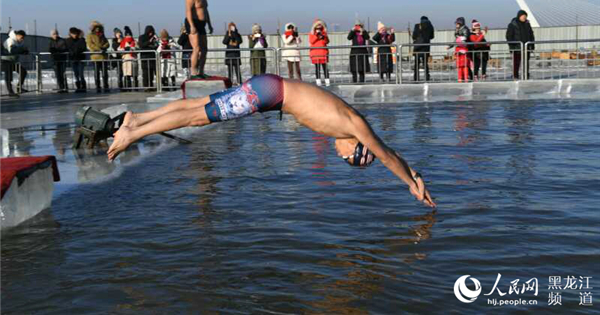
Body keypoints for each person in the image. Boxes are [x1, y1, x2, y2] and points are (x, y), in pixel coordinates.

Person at [107, 74, 435, 208]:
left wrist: (416, 176)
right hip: (269, 94)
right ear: (357, 149)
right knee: (196, 117)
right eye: (346, 159)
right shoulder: (356, 128)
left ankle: (137, 119)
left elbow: (392, 152)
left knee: (196, 105)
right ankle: (133, 132)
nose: (339, 155)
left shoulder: (352, 128)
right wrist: (409, 182)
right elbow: (388, 157)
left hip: (270, 89)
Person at [185, 0, 214, 78]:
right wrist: (192, 25)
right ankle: (193, 72)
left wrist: (209, 24)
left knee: (205, 49)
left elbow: (205, 11)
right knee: (196, 48)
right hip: (193, 22)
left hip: (202, 24)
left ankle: (201, 71)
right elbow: (188, 11)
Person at [506, 9, 535, 80]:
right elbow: (509, 36)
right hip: (517, 47)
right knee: (516, 63)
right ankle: (515, 76)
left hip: (526, 47)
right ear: (519, 16)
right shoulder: (512, 24)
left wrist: (532, 45)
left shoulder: (527, 24)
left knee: (526, 63)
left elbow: (531, 34)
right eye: (523, 16)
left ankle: (526, 75)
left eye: (525, 16)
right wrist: (512, 46)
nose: (524, 17)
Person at [1, 30, 29, 96]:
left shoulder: (16, 41)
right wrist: (22, 50)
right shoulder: (10, 40)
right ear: (17, 35)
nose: (22, 40)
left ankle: (19, 87)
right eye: (21, 38)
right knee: (8, 77)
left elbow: (17, 50)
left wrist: (23, 51)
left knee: (23, 71)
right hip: (6, 61)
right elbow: (12, 50)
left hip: (12, 61)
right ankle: (10, 92)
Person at [86, 20, 110, 92]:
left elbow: (107, 43)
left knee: (105, 73)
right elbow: (90, 45)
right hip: (95, 57)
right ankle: (98, 87)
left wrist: (104, 47)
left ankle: (106, 86)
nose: (97, 29)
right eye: (96, 27)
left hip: (103, 57)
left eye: (98, 27)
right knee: (97, 73)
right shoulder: (89, 35)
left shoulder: (102, 34)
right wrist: (99, 48)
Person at [411, 16, 435, 82]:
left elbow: (414, 36)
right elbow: (432, 36)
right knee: (425, 63)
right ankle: (427, 76)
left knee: (416, 63)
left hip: (418, 47)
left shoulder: (417, 26)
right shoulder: (430, 26)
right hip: (426, 47)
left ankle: (416, 77)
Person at [308, 19, 330, 86]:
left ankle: (327, 81)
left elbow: (327, 42)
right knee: (317, 68)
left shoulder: (324, 33)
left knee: (325, 68)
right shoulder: (312, 34)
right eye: (317, 27)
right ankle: (318, 82)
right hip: (315, 54)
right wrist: (316, 35)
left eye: (320, 27)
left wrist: (323, 37)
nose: (318, 29)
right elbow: (311, 41)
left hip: (323, 53)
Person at [65, 27, 87, 92]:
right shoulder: (68, 40)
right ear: (70, 34)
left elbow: (83, 48)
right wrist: (71, 52)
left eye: (75, 33)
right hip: (73, 59)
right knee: (76, 74)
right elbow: (67, 48)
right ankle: (78, 87)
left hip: (80, 59)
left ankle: (83, 87)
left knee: (81, 73)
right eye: (73, 34)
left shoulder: (81, 40)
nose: (74, 35)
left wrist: (76, 51)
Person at [138, 25, 159, 90]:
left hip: (152, 58)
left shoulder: (154, 37)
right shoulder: (142, 37)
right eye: (149, 32)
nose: (151, 33)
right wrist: (149, 42)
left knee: (151, 74)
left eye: (152, 32)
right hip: (145, 58)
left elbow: (156, 46)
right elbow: (142, 45)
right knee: (146, 74)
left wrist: (155, 42)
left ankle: (151, 86)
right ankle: (146, 87)